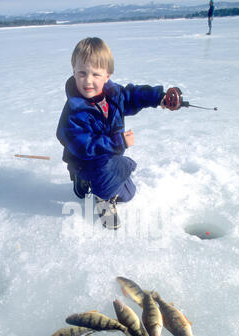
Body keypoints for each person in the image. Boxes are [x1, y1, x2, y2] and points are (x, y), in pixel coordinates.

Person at [56, 37, 181, 230]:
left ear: (107, 75)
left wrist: (159, 98)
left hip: (109, 156)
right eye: (82, 73)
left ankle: (98, 184)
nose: (88, 80)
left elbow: (133, 96)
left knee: (129, 193)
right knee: (105, 169)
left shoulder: (113, 95)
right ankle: (101, 199)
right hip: (84, 162)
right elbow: (84, 146)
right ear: (73, 72)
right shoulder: (74, 110)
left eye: (95, 74)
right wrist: (117, 141)